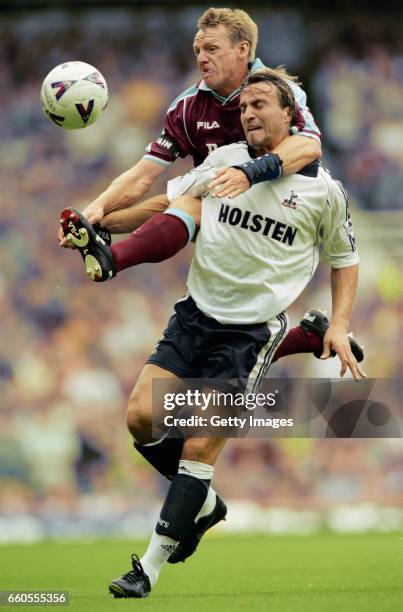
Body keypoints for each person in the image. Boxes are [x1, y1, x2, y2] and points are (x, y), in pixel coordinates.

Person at [62, 68, 366, 599]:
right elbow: (168, 205)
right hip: (195, 315)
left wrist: (340, 323)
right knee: (139, 420)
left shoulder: (324, 194)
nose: (247, 114)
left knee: (198, 446)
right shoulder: (223, 161)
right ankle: (204, 504)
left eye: (259, 105)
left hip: (250, 333)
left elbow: (345, 259)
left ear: (290, 117)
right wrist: (103, 225)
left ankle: (147, 570)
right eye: (243, 106)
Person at [59, 7, 363, 366]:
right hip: (224, 208)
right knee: (184, 204)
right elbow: (144, 174)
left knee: (192, 207)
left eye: (212, 49)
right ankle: (103, 240)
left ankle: (112, 258)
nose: (202, 58)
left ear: (243, 50)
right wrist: (98, 210)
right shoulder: (187, 108)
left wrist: (251, 172)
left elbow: (310, 145)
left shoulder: (277, 92)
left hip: (279, 215)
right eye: (197, 51)